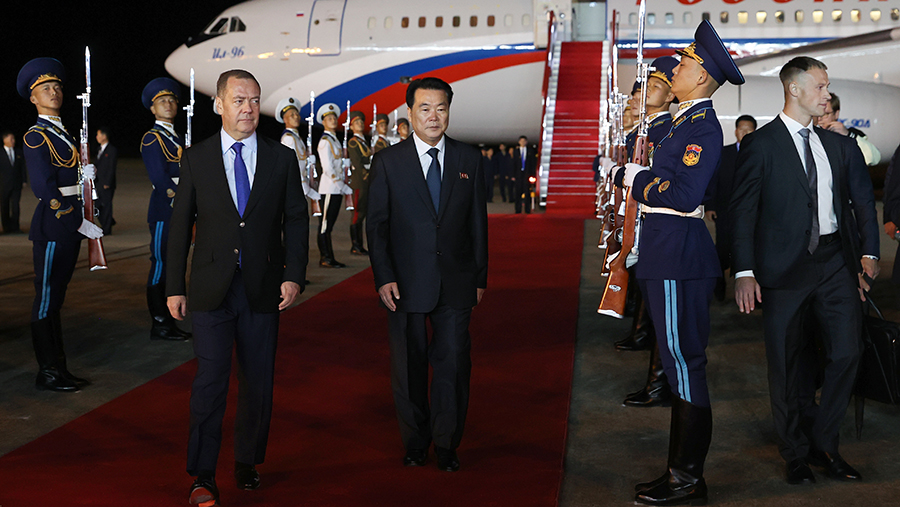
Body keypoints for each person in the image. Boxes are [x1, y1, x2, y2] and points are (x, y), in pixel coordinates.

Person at [612, 21, 745, 505]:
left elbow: (685, 193)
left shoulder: (701, 127)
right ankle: (680, 473)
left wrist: (636, 180)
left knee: (684, 366)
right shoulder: (681, 122)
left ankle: (686, 480)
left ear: (703, 76)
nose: (675, 71)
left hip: (677, 255)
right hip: (665, 250)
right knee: (677, 363)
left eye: (684, 64)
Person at [731, 56, 879, 485]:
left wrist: (869, 255)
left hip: (834, 263)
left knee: (848, 352)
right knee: (785, 363)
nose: (826, 94)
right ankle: (794, 452)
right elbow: (743, 212)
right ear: (794, 89)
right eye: (820, 86)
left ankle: (824, 442)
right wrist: (744, 271)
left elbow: (861, 204)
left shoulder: (837, 145)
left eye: (827, 87)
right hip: (782, 270)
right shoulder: (761, 145)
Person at [166, 69, 309, 506]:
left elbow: (296, 219)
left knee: (258, 380)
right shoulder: (197, 158)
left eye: (255, 100)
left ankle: (247, 460)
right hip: (211, 288)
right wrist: (173, 285)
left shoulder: (281, 158)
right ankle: (202, 473)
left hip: (263, 287)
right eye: (239, 100)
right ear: (219, 104)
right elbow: (180, 225)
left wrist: (294, 274)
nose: (249, 108)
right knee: (210, 381)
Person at [367, 77, 488, 473]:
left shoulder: (469, 159)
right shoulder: (388, 162)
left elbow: (478, 224)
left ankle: (447, 443)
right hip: (403, 284)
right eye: (425, 108)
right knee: (408, 368)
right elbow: (377, 226)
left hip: (456, 282)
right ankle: (416, 442)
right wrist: (383, 276)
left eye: (441, 108)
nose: (433, 116)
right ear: (409, 112)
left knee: (453, 366)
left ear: (449, 111)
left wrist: (480, 278)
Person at [18, 57, 103, 392]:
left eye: (56, 87)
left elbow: (67, 175)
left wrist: (85, 175)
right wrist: (76, 221)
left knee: (56, 299)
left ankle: (58, 367)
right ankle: (49, 372)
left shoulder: (63, 133)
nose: (53, 92)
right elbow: (44, 188)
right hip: (56, 225)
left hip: (69, 224)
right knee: (46, 298)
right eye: (45, 89)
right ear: (33, 98)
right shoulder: (36, 136)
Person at [610, 55, 679, 409]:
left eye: (654, 86)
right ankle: (656, 380)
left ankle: (659, 384)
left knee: (663, 315)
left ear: (671, 94)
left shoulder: (665, 130)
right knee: (654, 307)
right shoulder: (650, 129)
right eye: (645, 86)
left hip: (660, 226)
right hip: (645, 223)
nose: (643, 93)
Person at [141, 77, 191, 341]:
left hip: (181, 208)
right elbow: (160, 180)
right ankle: (160, 323)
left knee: (175, 264)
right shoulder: (152, 139)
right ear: (152, 108)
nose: (168, 104)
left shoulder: (178, 138)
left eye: (172, 100)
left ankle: (170, 319)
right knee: (161, 263)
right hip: (165, 209)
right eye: (162, 101)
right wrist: (182, 201)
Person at [705, 114, 756, 300]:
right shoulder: (723, 152)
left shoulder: (760, 152)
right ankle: (719, 291)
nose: (744, 132)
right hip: (725, 210)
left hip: (753, 212)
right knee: (722, 250)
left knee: (753, 249)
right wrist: (710, 206)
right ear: (735, 131)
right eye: (741, 129)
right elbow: (713, 180)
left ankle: (755, 294)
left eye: (749, 130)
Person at [315, 102, 351, 268]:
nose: (333, 121)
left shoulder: (334, 140)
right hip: (329, 188)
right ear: (323, 122)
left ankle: (330, 256)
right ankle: (325, 257)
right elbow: (327, 167)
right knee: (324, 225)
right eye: (329, 119)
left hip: (336, 189)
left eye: (334, 118)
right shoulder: (325, 141)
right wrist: (340, 185)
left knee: (329, 226)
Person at [275, 96, 321, 216]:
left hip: (300, 185)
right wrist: (307, 189)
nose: (296, 117)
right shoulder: (289, 139)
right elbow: (292, 167)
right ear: (285, 119)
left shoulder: (297, 138)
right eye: (291, 115)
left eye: (297, 114)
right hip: (295, 186)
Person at [817, 93, 881, 166]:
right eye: (817, 113)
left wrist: (848, 135)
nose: (819, 118)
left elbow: (874, 158)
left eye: (825, 114)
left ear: (836, 114)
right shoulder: (809, 134)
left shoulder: (851, 134)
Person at [347, 110, 371, 255]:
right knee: (357, 214)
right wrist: (367, 172)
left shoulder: (363, 141)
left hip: (365, 182)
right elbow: (357, 162)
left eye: (361, 122)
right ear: (351, 127)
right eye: (356, 122)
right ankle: (355, 245)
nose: (360, 124)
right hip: (359, 182)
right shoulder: (353, 142)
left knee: (362, 214)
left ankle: (359, 245)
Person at [1, 130, 26, 233]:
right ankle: (6, 228)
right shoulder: (1, 153)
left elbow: (22, 168)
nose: (13, 141)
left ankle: (15, 227)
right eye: (11, 139)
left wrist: (24, 180)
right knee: (4, 206)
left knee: (16, 206)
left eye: (13, 139)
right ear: (4, 140)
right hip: (3, 185)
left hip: (16, 184)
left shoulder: (18, 152)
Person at [94, 126, 117, 235]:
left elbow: (111, 167)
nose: (97, 137)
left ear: (104, 136)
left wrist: (108, 182)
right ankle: (109, 221)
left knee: (106, 205)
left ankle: (107, 229)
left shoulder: (111, 150)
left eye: (98, 135)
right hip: (98, 182)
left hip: (106, 183)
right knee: (97, 205)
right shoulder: (99, 149)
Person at [512, 135, 536, 213]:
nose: (523, 142)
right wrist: (513, 175)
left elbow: (533, 163)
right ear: (519, 142)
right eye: (521, 141)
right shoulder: (516, 151)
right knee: (518, 193)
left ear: (526, 142)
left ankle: (527, 209)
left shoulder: (530, 151)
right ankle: (518, 209)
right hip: (518, 175)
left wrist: (533, 174)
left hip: (527, 174)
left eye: (524, 141)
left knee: (527, 192)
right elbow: (513, 164)